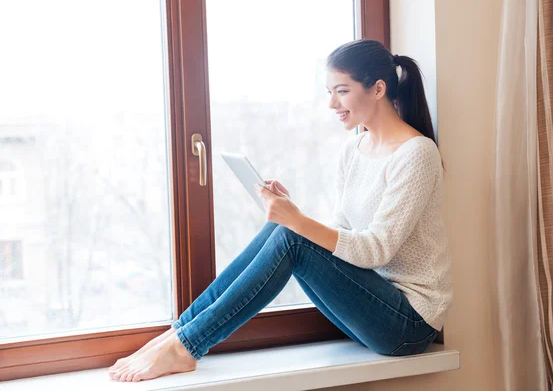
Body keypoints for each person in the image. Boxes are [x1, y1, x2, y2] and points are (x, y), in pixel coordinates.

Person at [107, 39, 453, 382]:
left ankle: (185, 348)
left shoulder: (416, 154)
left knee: (292, 234)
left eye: (342, 91)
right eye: (329, 91)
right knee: (283, 231)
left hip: (407, 324)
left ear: (377, 89)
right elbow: (345, 232)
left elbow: (376, 250)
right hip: (369, 302)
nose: (332, 103)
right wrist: (294, 217)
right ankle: (178, 334)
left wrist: (298, 223)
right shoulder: (356, 147)